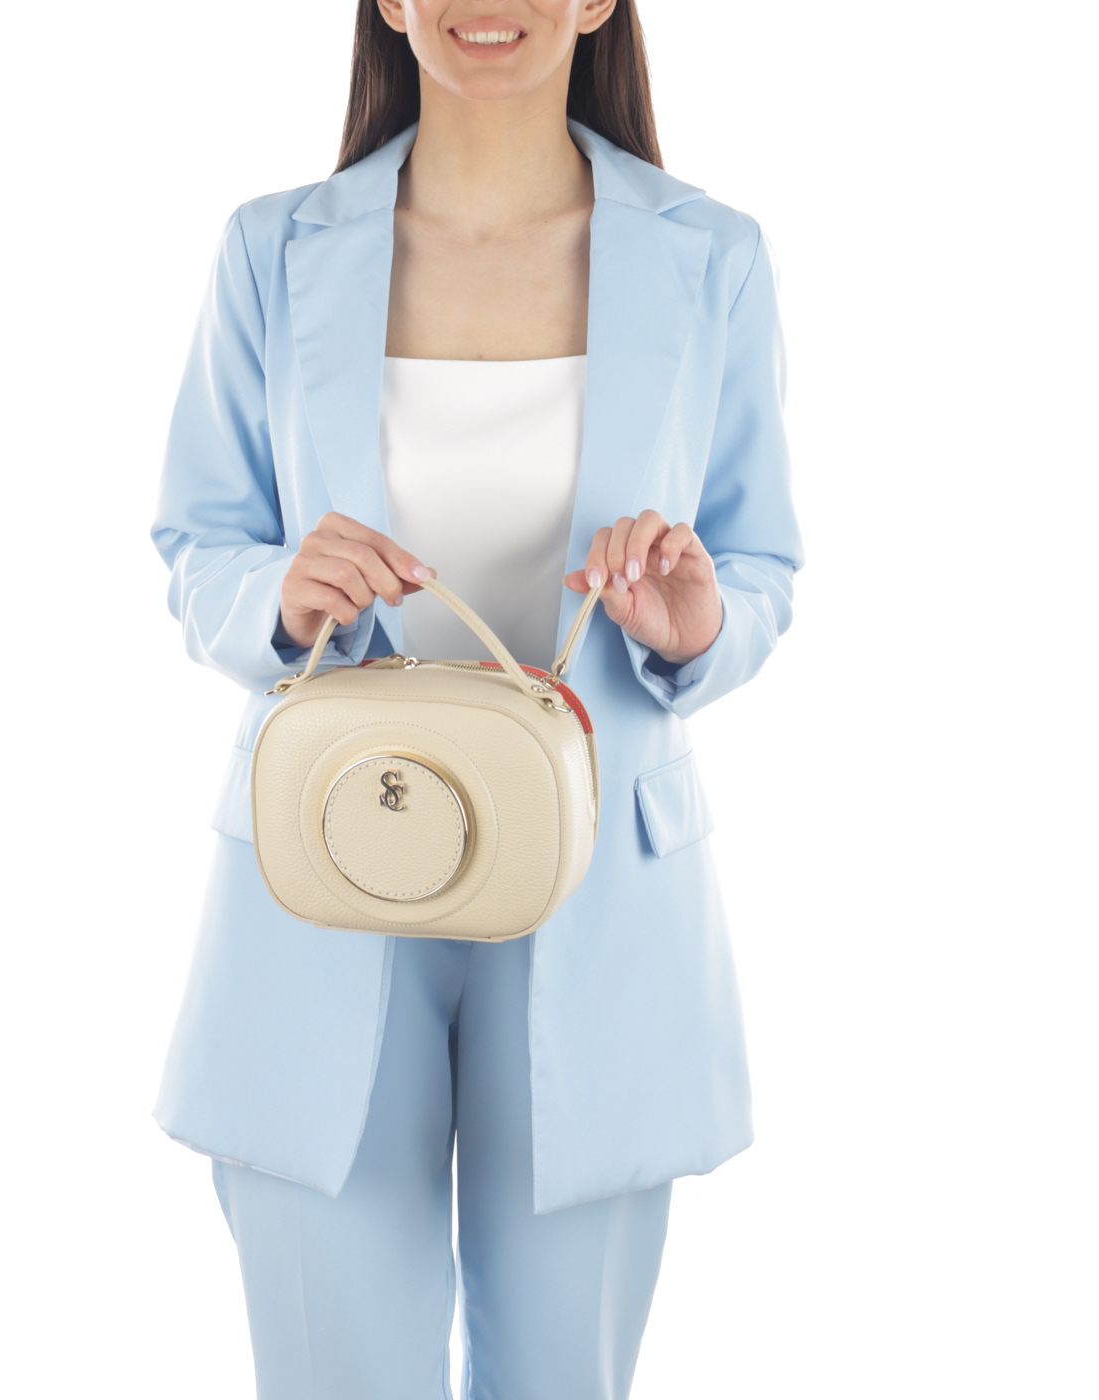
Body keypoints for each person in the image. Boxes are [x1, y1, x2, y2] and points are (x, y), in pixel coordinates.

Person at [151, 2, 803, 1395]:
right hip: (325, 863)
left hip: (596, 877)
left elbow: (759, 562)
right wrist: (281, 594)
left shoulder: (713, 257)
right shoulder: (272, 248)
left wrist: (697, 625)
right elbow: (200, 543)